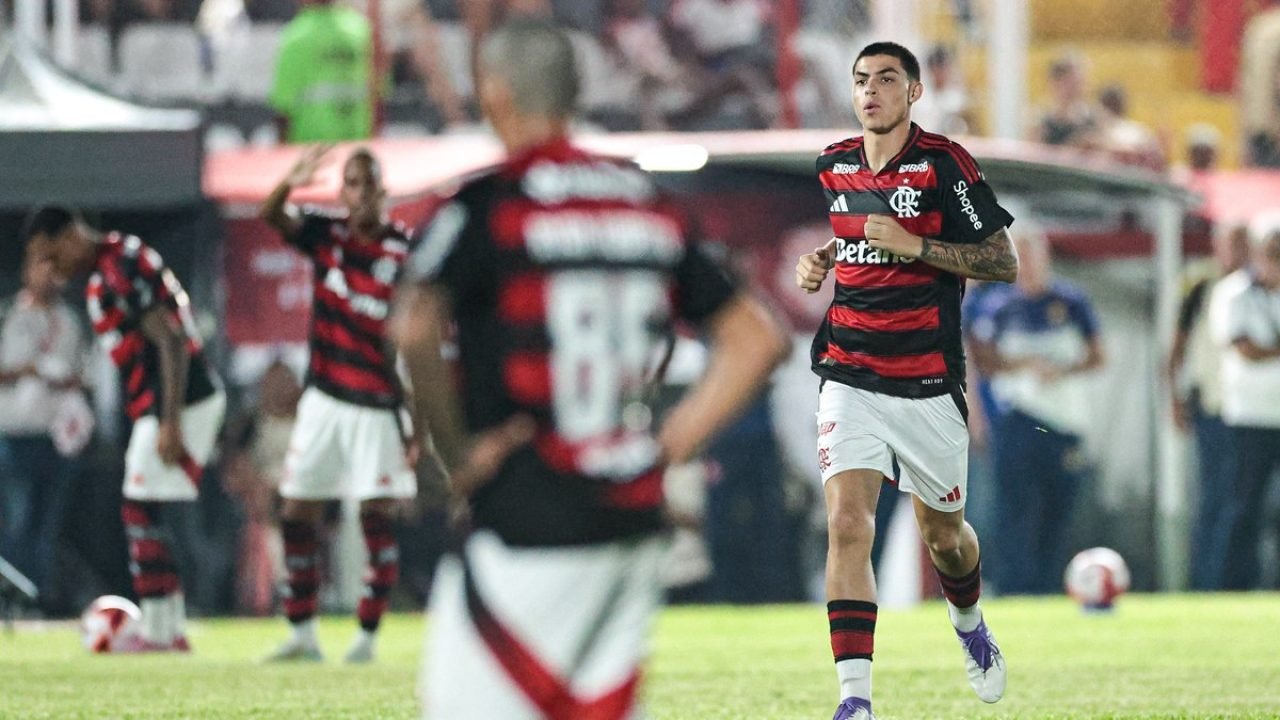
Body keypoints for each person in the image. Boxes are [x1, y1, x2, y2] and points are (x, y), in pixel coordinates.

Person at [393, 19, 788, 718]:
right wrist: (663, 449)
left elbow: (416, 324)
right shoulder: (643, 199)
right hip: (630, 518)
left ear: (495, 93)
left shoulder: (494, 201)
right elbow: (757, 338)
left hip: (527, 509)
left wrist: (454, 453)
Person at [794, 41, 1018, 720]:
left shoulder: (944, 164)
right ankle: (855, 702)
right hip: (850, 372)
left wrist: (918, 246)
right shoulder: (833, 164)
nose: (870, 92)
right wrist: (824, 260)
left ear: (913, 93)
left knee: (944, 537)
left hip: (926, 380)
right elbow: (855, 237)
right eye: (861, 81)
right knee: (848, 525)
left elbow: (1001, 260)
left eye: (886, 80)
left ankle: (970, 624)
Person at [28, 206, 226, 652]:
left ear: (71, 235)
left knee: (142, 508)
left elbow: (170, 339)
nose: (51, 268)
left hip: (181, 401)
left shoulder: (120, 267)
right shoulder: (108, 269)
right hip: (159, 405)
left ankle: (162, 630)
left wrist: (170, 419)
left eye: (51, 254)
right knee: (145, 509)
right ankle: (167, 627)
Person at [259, 146, 419, 663]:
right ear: (342, 192)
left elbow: (418, 337)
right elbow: (271, 216)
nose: (359, 193)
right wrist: (290, 182)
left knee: (374, 520)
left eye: (368, 183)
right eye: (351, 183)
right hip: (324, 398)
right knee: (295, 511)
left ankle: (367, 638)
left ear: (383, 191)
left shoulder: (405, 251)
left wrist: (419, 421)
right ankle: (302, 633)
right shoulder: (326, 234)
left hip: (377, 402)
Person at [968, 227, 1104, 595]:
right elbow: (983, 360)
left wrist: (1062, 369)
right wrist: (1024, 365)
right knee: (1015, 510)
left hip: (1063, 422)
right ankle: (1016, 588)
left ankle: (1051, 585)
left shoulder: (1071, 301)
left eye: (1031, 256)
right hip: (1020, 420)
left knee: (1057, 508)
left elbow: (1098, 355)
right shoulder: (997, 305)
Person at [0, 247, 87, 608]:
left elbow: (83, 374)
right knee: (16, 522)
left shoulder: (70, 320)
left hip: (55, 436)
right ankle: (12, 599)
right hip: (13, 435)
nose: (49, 277)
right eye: (41, 267)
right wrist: (25, 371)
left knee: (46, 527)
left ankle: (35, 601)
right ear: (26, 271)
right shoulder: (8, 314)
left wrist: (60, 379)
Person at [1167, 224, 1249, 590]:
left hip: (1251, 408)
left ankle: (1238, 579)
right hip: (1212, 405)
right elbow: (1177, 346)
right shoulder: (1201, 285)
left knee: (1243, 498)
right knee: (1214, 496)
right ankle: (1208, 581)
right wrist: (1175, 397)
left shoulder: (1260, 287)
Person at [1214, 224, 1280, 590]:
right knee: (1243, 507)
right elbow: (1245, 348)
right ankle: (1234, 585)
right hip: (1249, 416)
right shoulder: (1235, 293)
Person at [269, 0, 374, 143]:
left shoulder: (296, 36)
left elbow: (283, 107)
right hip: (355, 146)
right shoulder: (360, 29)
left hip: (310, 149)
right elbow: (378, 88)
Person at [1034, 51, 1099, 148]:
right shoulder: (1040, 121)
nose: (1081, 86)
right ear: (1056, 82)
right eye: (1073, 82)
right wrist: (1074, 146)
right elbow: (1034, 156)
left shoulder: (1093, 117)